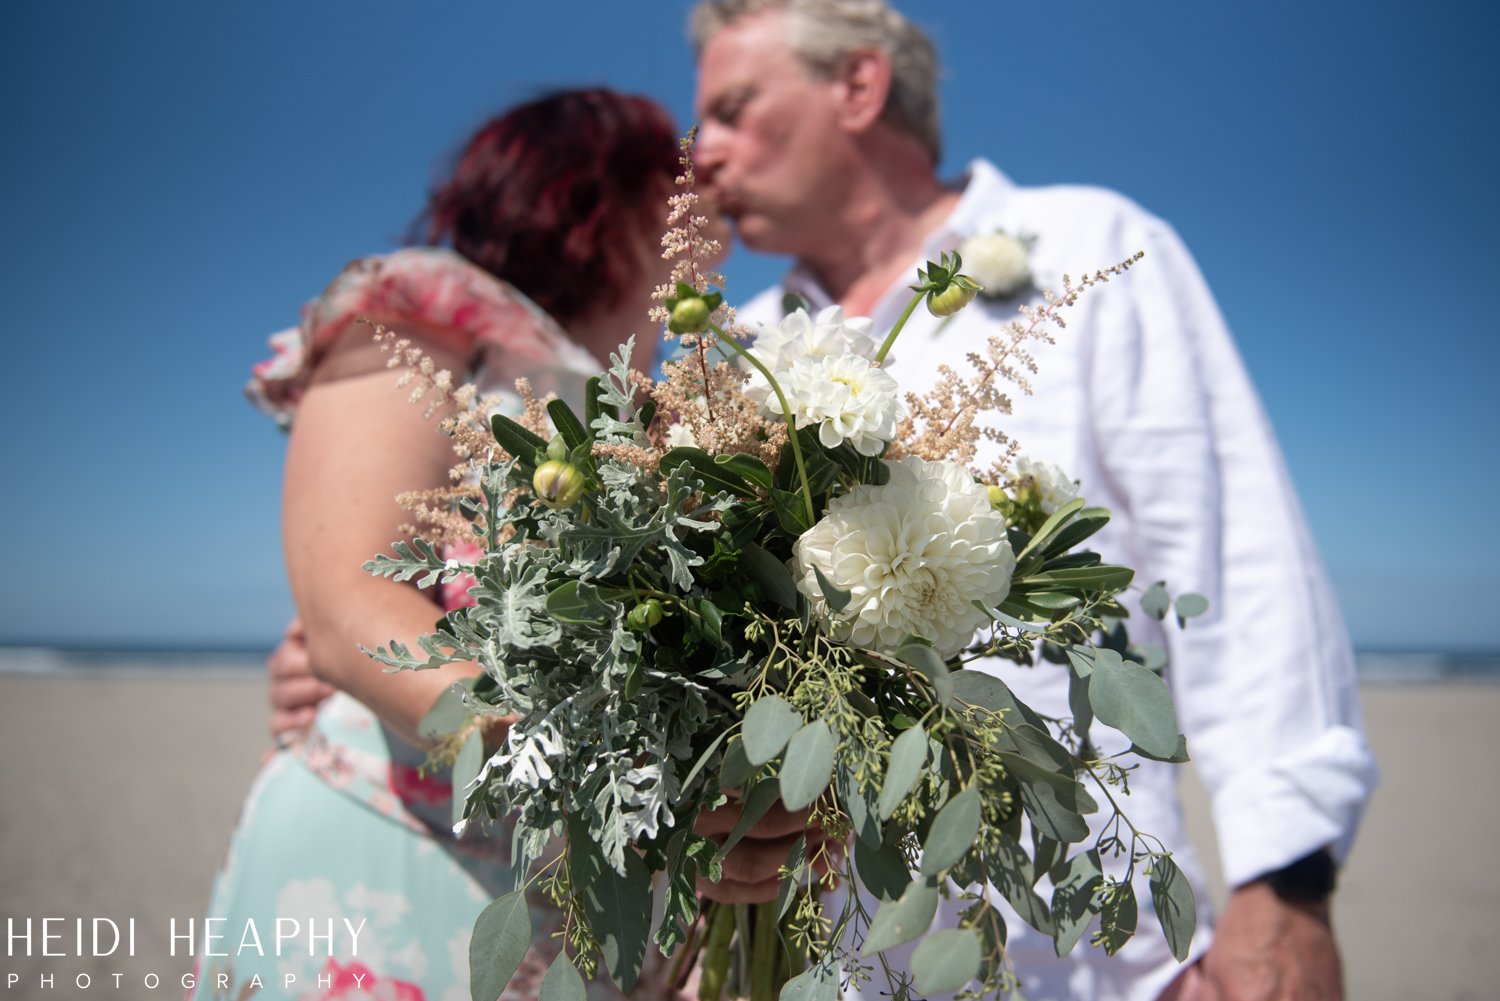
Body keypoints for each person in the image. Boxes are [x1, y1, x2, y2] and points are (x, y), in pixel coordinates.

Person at [685, 2, 1378, 1000]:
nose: (700, 151)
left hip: (1092, 962)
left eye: (732, 108)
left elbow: (1232, 559)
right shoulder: (737, 353)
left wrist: (1289, 884)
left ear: (858, 87)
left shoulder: (1087, 249)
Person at [203, 88, 696, 1001]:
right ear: (602, 200)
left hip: (597, 921)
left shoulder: (678, 415)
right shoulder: (435, 315)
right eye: (675, 196)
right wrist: (641, 769)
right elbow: (350, 603)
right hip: (401, 857)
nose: (706, 231)